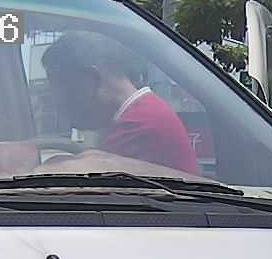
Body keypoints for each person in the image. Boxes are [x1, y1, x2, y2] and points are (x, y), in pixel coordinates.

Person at [40, 31, 198, 175]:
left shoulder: (138, 128)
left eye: (65, 91)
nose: (60, 103)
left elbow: (84, 187)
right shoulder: (147, 114)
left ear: (91, 79)